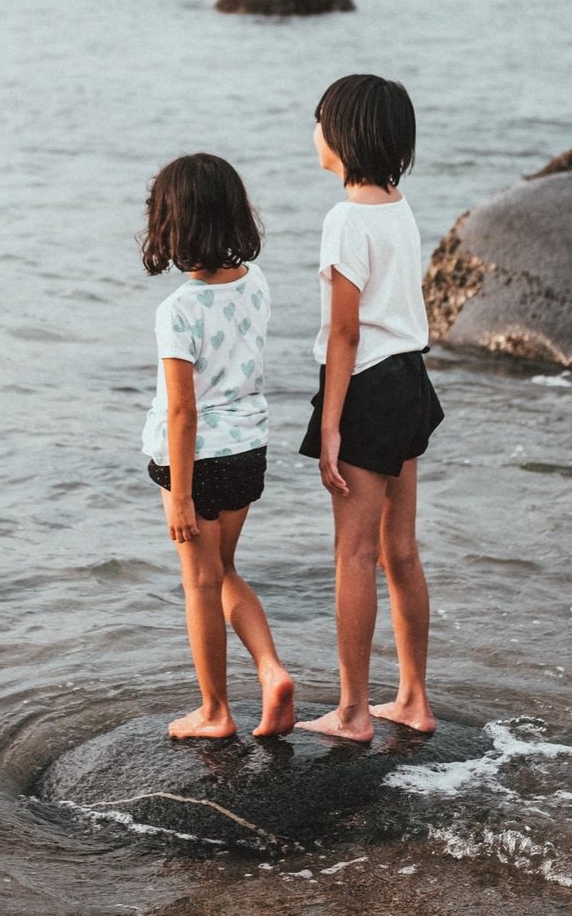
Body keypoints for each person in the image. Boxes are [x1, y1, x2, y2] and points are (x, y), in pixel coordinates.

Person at [296, 74, 444, 743]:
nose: (314, 131)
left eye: (320, 119)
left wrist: (330, 425)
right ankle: (412, 696)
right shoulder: (399, 208)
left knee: (353, 553)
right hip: (411, 380)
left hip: (367, 386)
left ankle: (353, 711)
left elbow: (346, 334)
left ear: (345, 135)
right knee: (400, 549)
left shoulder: (345, 220)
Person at [141, 152, 295, 741]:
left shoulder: (178, 310)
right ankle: (272, 671)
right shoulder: (255, 284)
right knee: (225, 569)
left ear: (172, 225)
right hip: (247, 451)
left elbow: (183, 411)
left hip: (197, 462)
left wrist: (179, 495)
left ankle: (215, 711)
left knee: (199, 583)